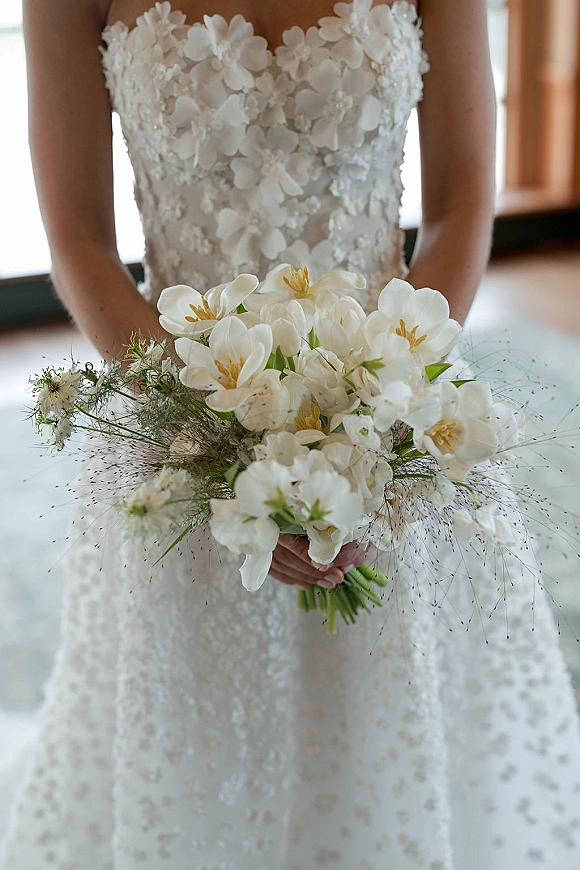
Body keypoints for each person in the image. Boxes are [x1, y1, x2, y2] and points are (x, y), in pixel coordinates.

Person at [2, 1, 580, 867]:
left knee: (395, 720)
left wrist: (387, 415)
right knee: (194, 736)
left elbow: (462, 209)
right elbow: (79, 235)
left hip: (391, 400)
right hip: (178, 408)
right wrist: (214, 445)